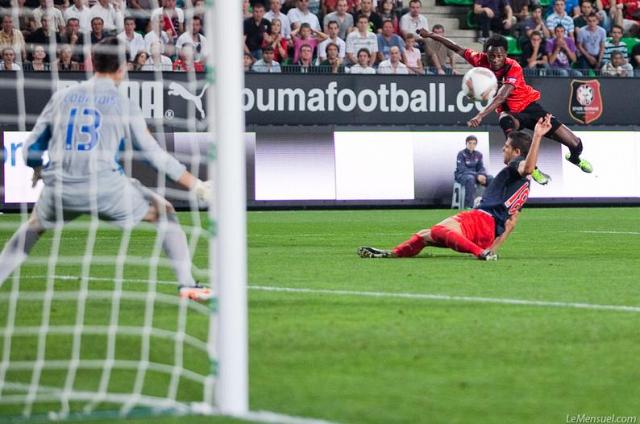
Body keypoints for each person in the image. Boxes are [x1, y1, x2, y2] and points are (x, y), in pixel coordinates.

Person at [0, 37, 212, 302]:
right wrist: (196, 185)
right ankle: (187, 285)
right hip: (105, 187)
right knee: (164, 212)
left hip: (61, 187)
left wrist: (37, 168)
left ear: (92, 62)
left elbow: (29, 149)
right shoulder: (124, 105)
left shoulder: (62, 96)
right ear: (123, 67)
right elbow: (153, 156)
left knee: (33, 227)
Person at [358, 115, 552, 261]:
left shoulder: (516, 165)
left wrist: (537, 136)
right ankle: (391, 254)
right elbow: (511, 222)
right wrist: (493, 248)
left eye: (507, 147)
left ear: (517, 152)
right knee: (424, 235)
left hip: (481, 220)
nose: (503, 149)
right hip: (489, 233)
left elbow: (527, 167)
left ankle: (479, 253)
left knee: (440, 230)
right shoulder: (524, 186)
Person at [416, 29, 593, 184]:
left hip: (531, 108)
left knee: (576, 143)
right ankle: (532, 168)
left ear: (506, 54)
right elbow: (455, 47)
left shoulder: (513, 67)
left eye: (500, 55)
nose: (495, 60)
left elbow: (502, 96)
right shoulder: (480, 60)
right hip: (512, 113)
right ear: (487, 53)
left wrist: (480, 115)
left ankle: (575, 158)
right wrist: (430, 35)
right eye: (492, 55)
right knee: (505, 121)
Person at [454, 135, 494, 209]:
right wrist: (477, 176)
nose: (471, 145)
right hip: (462, 175)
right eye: (470, 143)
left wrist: (482, 175)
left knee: (490, 178)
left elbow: (481, 167)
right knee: (470, 179)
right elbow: (462, 169)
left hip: (476, 176)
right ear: (466, 143)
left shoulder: (479, 154)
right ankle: (469, 206)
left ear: (476, 144)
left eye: (474, 143)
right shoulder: (461, 154)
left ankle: (489, 203)